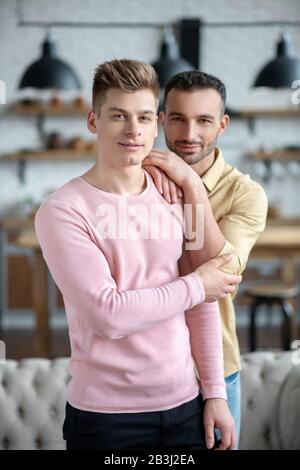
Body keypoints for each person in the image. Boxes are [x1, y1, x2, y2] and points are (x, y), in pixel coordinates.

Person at [35, 60, 242, 451]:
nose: (133, 130)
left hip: (186, 407)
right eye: (118, 116)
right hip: (107, 420)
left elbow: (203, 305)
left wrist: (214, 391)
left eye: (144, 117)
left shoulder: (179, 196)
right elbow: (107, 315)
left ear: (156, 124)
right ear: (93, 121)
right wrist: (198, 285)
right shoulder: (62, 210)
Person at [143, 70, 268, 444]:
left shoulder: (245, 194)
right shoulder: (134, 179)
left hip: (212, 372)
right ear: (162, 119)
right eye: (178, 118)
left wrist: (190, 182)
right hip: (144, 369)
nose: (189, 134)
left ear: (223, 125)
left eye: (204, 121)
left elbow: (220, 279)